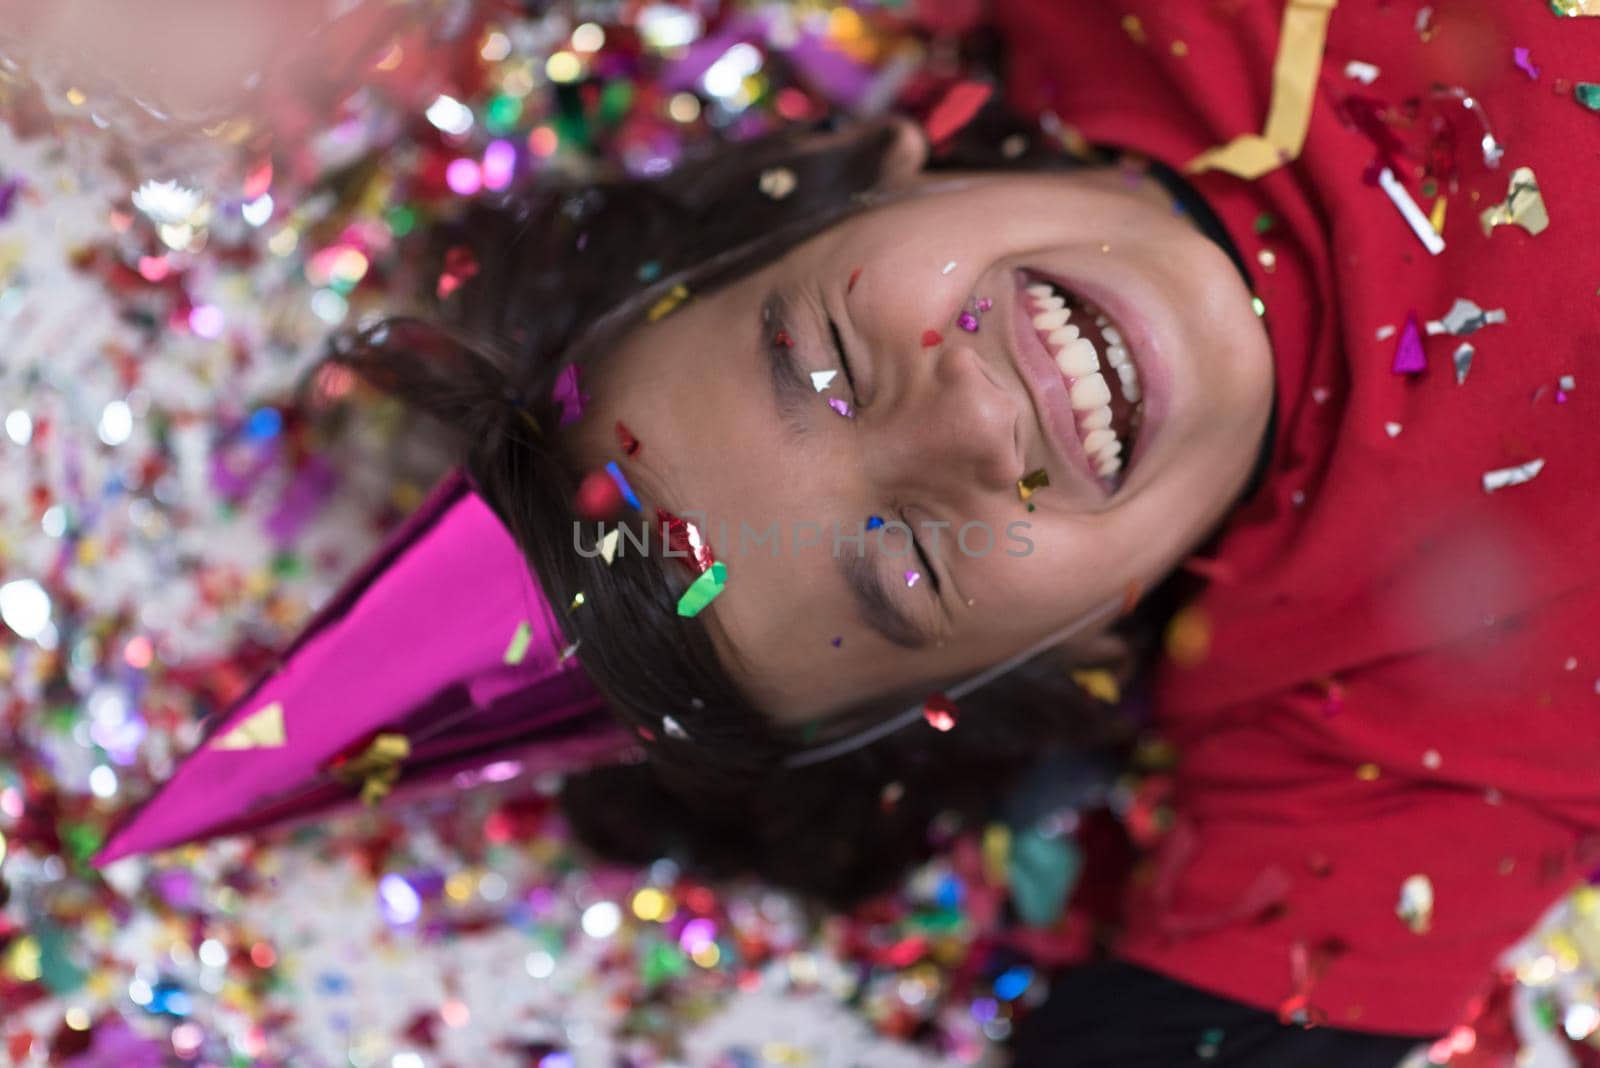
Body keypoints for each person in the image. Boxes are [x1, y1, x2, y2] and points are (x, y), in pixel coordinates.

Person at [101, 0, 1599, 1063]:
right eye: (908, 565)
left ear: (871, 176)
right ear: (1056, 659)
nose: (966, 426)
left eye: (815, 357)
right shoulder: (1369, 751)